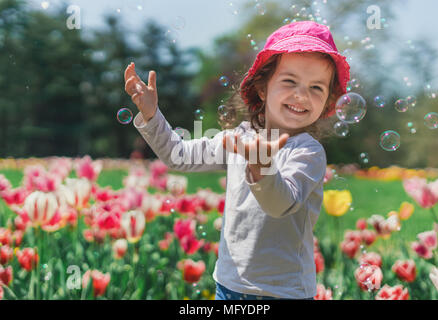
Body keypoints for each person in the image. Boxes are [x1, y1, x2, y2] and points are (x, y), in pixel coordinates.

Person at [124, 21, 350, 300]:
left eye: (316, 88)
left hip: (284, 291)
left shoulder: (307, 152)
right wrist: (151, 115)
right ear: (263, 88)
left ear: (328, 101)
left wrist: (263, 167)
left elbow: (280, 204)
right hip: (228, 286)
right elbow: (178, 155)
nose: (302, 95)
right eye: (289, 81)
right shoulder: (239, 139)